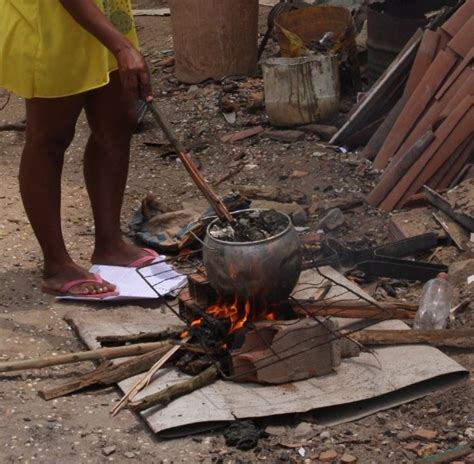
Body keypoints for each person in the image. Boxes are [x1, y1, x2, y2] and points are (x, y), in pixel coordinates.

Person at [0, 0, 158, 297]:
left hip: (103, 12)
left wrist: (119, 43)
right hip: (50, 24)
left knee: (118, 122)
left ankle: (109, 243)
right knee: (50, 139)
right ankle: (56, 266)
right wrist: (122, 47)